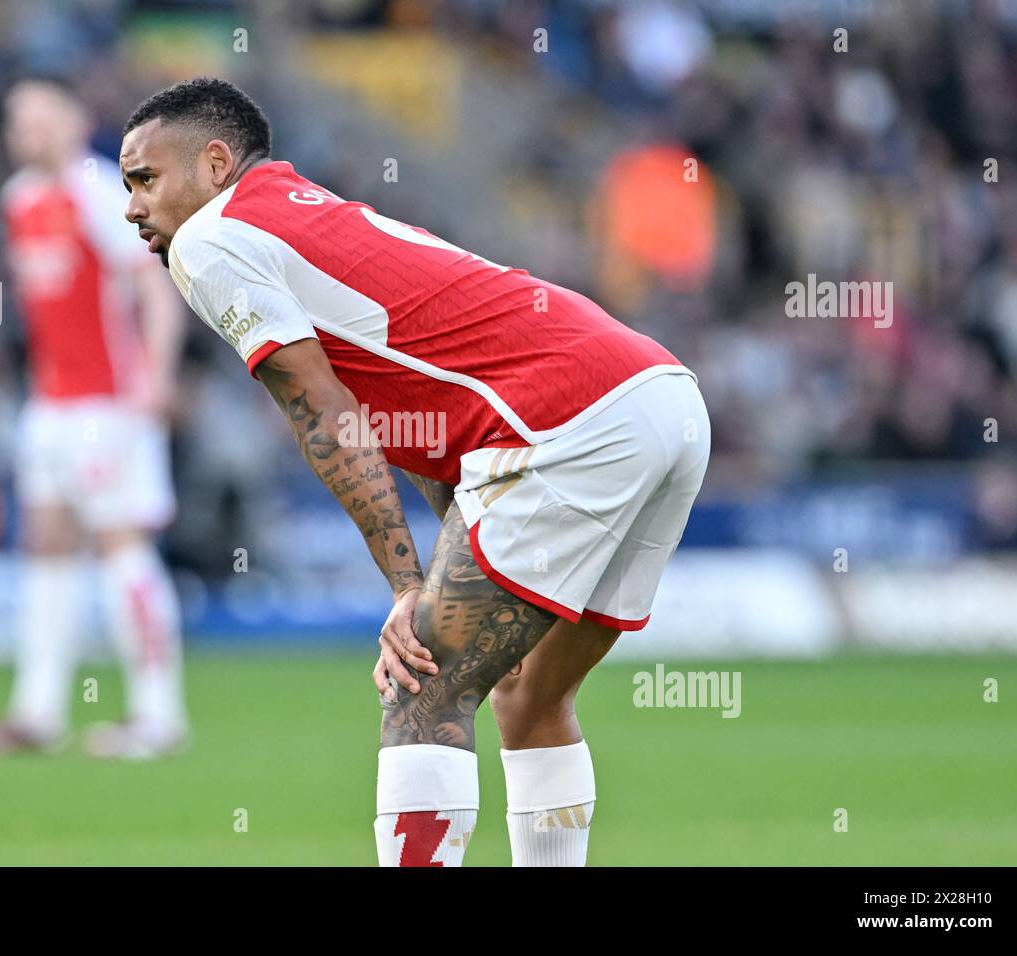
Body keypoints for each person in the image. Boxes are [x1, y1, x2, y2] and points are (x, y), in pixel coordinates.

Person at [120, 76, 709, 862]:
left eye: (145, 180)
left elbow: (323, 414)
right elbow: (434, 421)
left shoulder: (209, 240)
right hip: (660, 396)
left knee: (423, 686)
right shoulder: (313, 214)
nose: (132, 209)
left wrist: (408, 588)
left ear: (216, 163)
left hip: (563, 420)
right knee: (530, 696)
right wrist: (435, 571)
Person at [0, 79, 190, 760]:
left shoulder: (99, 191)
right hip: (50, 405)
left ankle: (158, 716)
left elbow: (155, 283)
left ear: (73, 123)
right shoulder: (19, 199)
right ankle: (36, 714)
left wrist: (155, 379)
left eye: (40, 120)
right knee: (46, 544)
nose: (27, 134)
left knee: (121, 545)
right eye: (17, 121)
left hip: (109, 403)